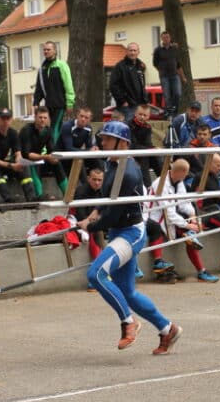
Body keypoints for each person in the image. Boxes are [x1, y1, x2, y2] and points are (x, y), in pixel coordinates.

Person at [76, 121, 182, 355]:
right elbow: (107, 199)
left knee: (95, 274)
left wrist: (90, 226)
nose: (102, 142)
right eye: (103, 138)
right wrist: (93, 214)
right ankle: (168, 329)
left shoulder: (128, 173)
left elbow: (112, 216)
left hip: (130, 233)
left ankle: (128, 322)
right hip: (118, 231)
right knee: (128, 292)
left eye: (107, 139)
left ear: (122, 143)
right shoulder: (112, 162)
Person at [147, 158, 219, 283]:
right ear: (179, 172)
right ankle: (200, 270)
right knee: (190, 235)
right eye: (185, 174)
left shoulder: (178, 181)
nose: (186, 177)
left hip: (171, 218)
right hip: (157, 218)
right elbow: (167, 211)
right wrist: (188, 225)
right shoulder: (161, 183)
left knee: (191, 238)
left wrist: (192, 216)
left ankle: (201, 270)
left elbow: (184, 203)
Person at [21, 106, 68, 198]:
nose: (42, 120)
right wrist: (46, 157)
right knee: (34, 163)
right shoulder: (27, 130)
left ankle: (68, 193)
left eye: (45, 118)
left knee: (56, 163)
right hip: (24, 162)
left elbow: (51, 150)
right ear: (35, 117)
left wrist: (54, 158)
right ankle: (39, 195)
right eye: (40, 117)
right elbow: (27, 155)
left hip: (39, 159)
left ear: (48, 119)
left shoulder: (48, 131)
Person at [33, 41, 74, 144]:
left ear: (55, 51)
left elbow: (68, 85)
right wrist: (36, 102)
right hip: (48, 105)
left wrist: (70, 103)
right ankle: (48, 148)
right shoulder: (42, 68)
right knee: (47, 128)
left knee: (54, 127)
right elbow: (39, 87)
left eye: (48, 49)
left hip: (60, 104)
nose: (46, 51)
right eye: (44, 50)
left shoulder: (62, 65)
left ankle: (53, 150)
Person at [56, 106, 100, 182]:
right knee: (79, 161)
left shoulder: (88, 128)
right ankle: (86, 185)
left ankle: (99, 183)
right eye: (81, 116)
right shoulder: (67, 126)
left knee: (98, 161)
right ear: (77, 115)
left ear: (90, 119)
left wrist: (94, 148)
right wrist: (88, 151)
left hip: (76, 155)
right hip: (62, 157)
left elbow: (89, 146)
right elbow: (68, 148)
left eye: (86, 118)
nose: (83, 119)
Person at [109, 42, 149, 122]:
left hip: (140, 106)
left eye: (135, 50)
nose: (132, 53)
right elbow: (113, 85)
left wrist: (145, 101)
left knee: (138, 127)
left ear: (138, 52)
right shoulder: (120, 66)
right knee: (128, 127)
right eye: (131, 50)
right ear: (127, 51)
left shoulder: (140, 66)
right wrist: (123, 101)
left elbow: (142, 85)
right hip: (127, 106)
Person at [152, 31, 187, 117]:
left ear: (170, 38)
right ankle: (169, 113)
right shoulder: (158, 50)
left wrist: (183, 77)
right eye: (164, 37)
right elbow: (155, 63)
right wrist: (161, 70)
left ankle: (175, 111)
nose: (166, 39)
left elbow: (178, 64)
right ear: (161, 38)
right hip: (164, 76)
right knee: (167, 95)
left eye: (167, 37)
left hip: (175, 75)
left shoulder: (174, 49)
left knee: (177, 93)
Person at [129, 103, 163, 188]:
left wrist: (154, 149)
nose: (142, 117)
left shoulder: (147, 127)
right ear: (135, 114)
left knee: (157, 157)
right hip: (131, 152)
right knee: (145, 157)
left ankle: (164, 182)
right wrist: (150, 149)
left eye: (145, 115)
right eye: (140, 114)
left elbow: (148, 144)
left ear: (148, 116)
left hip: (143, 152)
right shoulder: (129, 125)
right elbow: (132, 145)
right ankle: (147, 186)